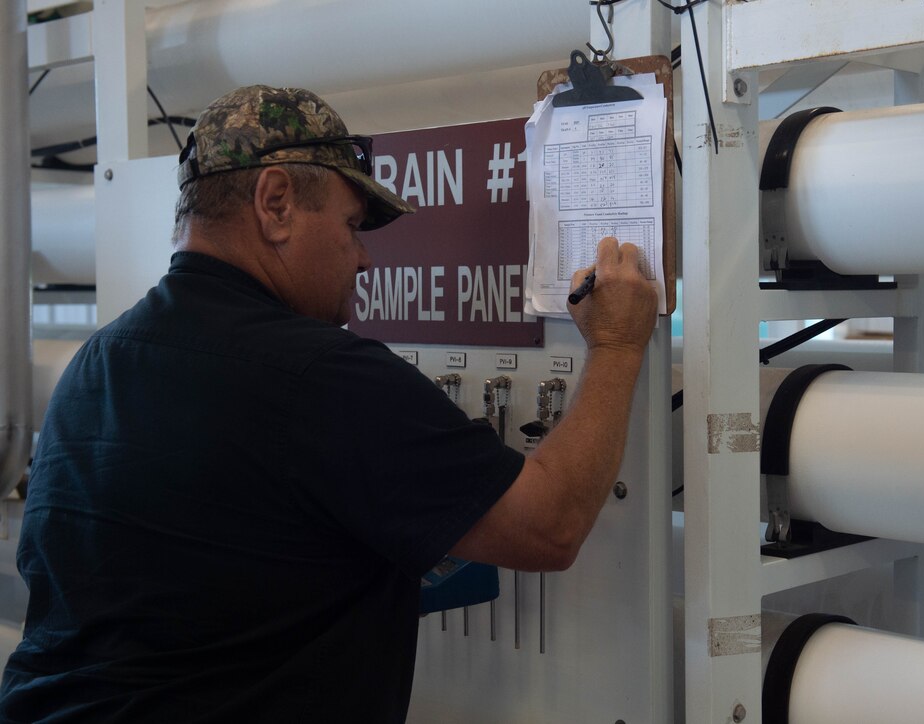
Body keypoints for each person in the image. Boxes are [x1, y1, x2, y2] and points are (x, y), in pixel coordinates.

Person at [0, 85, 658, 723]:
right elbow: (551, 523)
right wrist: (619, 346)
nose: (365, 258)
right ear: (276, 202)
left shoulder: (92, 366)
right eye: (350, 225)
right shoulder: (320, 377)